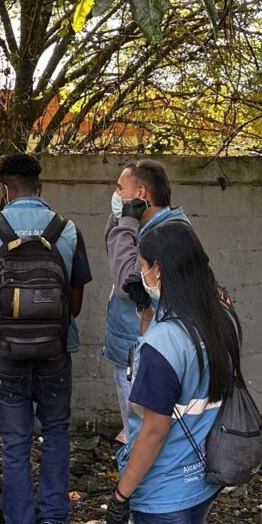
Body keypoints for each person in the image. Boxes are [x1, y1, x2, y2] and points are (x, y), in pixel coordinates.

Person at [0, 153, 92, 524]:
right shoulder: (66, 230)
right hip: (55, 351)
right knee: (56, 431)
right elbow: (76, 304)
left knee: (14, 442)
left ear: (4, 188)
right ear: (41, 187)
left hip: (3, 352)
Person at [105, 221, 239, 524]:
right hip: (204, 477)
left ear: (159, 271)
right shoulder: (223, 318)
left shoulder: (163, 344)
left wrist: (121, 495)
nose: (142, 273)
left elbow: (154, 430)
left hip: (164, 488)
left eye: (143, 266)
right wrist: (146, 314)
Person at [104, 159, 188, 445]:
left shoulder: (165, 234)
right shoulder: (145, 227)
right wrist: (122, 221)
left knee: (143, 437)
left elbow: (128, 281)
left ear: (140, 194)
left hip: (142, 352)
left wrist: (125, 222)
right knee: (136, 431)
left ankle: (134, 488)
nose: (115, 195)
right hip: (131, 346)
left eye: (120, 188)